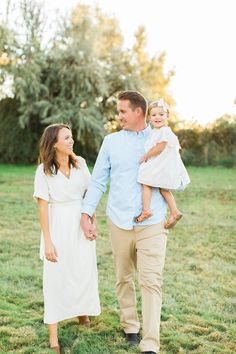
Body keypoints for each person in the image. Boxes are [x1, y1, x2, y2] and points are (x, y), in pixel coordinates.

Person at [81, 91, 168, 354]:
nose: (118, 116)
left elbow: (172, 172)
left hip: (152, 222)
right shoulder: (111, 141)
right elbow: (98, 180)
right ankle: (130, 325)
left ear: (138, 111)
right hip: (118, 220)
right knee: (123, 277)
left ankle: (151, 343)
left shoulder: (159, 138)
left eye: (122, 111)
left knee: (151, 280)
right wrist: (86, 213)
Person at [33, 123, 100, 353]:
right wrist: (48, 241)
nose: (72, 141)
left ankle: (82, 313)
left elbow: (90, 195)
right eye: (66, 138)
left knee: (81, 270)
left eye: (71, 136)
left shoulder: (80, 163)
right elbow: (43, 208)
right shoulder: (43, 170)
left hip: (80, 222)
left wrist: (92, 223)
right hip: (58, 225)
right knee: (55, 277)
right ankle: (53, 336)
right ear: (54, 144)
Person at [136, 98, 190, 228]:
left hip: (160, 165)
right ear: (149, 117)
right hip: (161, 166)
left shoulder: (164, 131)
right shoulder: (156, 131)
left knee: (145, 181)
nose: (157, 117)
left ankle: (146, 210)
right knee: (163, 189)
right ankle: (174, 211)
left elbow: (160, 148)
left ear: (167, 116)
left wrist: (145, 156)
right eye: (154, 115)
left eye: (161, 114)